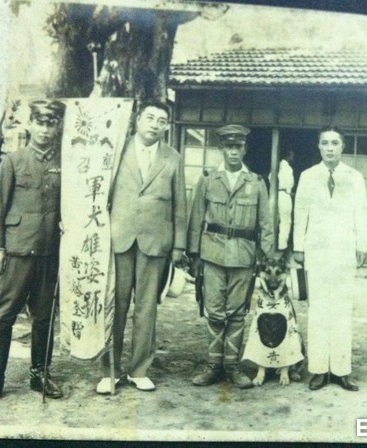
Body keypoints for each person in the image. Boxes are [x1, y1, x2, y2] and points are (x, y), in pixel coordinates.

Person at [0, 100, 66, 406]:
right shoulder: (13, 161)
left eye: (51, 123)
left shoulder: (66, 164)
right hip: (15, 251)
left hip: (49, 253)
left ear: (57, 126)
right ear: (30, 125)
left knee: (44, 318)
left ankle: (40, 373)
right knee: (3, 317)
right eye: (40, 122)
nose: (45, 129)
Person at [95, 100, 187, 394]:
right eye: (150, 117)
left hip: (155, 241)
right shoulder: (117, 151)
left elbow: (180, 206)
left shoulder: (173, 158)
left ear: (167, 126)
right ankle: (110, 370)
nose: (155, 124)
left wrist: (178, 246)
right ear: (138, 119)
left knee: (146, 308)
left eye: (161, 120)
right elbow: (98, 195)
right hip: (118, 239)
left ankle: (139, 370)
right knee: (115, 306)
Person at [188, 124, 274, 389]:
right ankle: (214, 365)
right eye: (229, 146)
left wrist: (267, 258)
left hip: (243, 257)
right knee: (214, 310)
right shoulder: (208, 180)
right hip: (212, 254)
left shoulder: (257, 183)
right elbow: (196, 220)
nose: (233, 152)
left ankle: (233, 366)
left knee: (237, 312)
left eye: (238, 147)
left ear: (244, 149)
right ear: (221, 148)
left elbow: (266, 224)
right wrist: (193, 255)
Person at [293, 125, 367, 391]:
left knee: (342, 311)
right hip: (317, 252)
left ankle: (341, 370)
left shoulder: (354, 177)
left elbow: (361, 212)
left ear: (343, 146)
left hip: (344, 252)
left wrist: (362, 245)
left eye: (335, 143)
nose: (329, 148)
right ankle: (319, 370)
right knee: (318, 311)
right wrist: (299, 247)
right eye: (325, 143)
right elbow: (300, 213)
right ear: (319, 146)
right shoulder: (308, 176)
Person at [270, 149, 295, 252]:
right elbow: (289, 183)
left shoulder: (275, 165)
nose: (293, 158)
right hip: (284, 195)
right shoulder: (287, 168)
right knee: (285, 221)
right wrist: (289, 191)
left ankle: (271, 244)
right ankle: (282, 245)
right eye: (292, 156)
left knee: (273, 220)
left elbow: (270, 178)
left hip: (274, 194)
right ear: (288, 156)